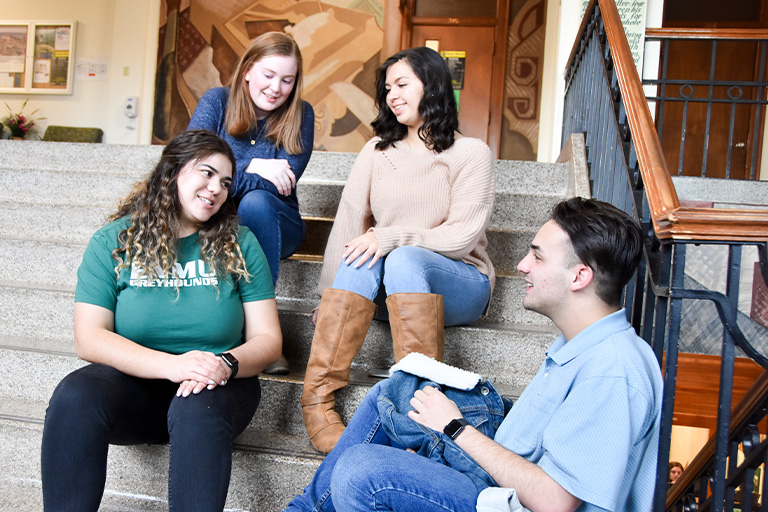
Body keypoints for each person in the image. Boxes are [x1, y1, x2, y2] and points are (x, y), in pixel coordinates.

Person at [283, 197, 664, 512]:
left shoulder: (613, 369)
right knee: (398, 390)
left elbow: (555, 500)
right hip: (500, 476)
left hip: (510, 503)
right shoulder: (582, 347)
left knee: (362, 470)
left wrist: (455, 427)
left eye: (538, 257)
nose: (521, 266)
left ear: (579, 277)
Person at [41, 130, 282, 511]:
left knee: (196, 407)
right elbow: (89, 338)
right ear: (172, 171)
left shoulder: (241, 242)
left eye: (225, 182)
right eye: (206, 173)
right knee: (75, 394)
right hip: (138, 391)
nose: (216, 188)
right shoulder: (114, 241)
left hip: (218, 388)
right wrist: (173, 365)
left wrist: (225, 364)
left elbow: (268, 340)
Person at [301, 46, 495, 454]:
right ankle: (316, 400)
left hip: (460, 282)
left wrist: (389, 236)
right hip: (397, 288)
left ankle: (420, 416)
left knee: (401, 255)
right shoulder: (376, 152)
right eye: (387, 88)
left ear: (433, 85)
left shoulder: (470, 154)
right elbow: (350, 222)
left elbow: (461, 236)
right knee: (364, 251)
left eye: (403, 84)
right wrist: (331, 295)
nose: (392, 95)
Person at [189, 31, 314, 374]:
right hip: (217, 220)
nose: (277, 88)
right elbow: (188, 167)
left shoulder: (301, 114)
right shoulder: (216, 102)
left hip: (276, 223)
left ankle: (260, 338)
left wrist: (225, 170)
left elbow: (281, 185)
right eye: (269, 75)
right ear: (247, 70)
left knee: (257, 202)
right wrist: (253, 165)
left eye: (287, 80)